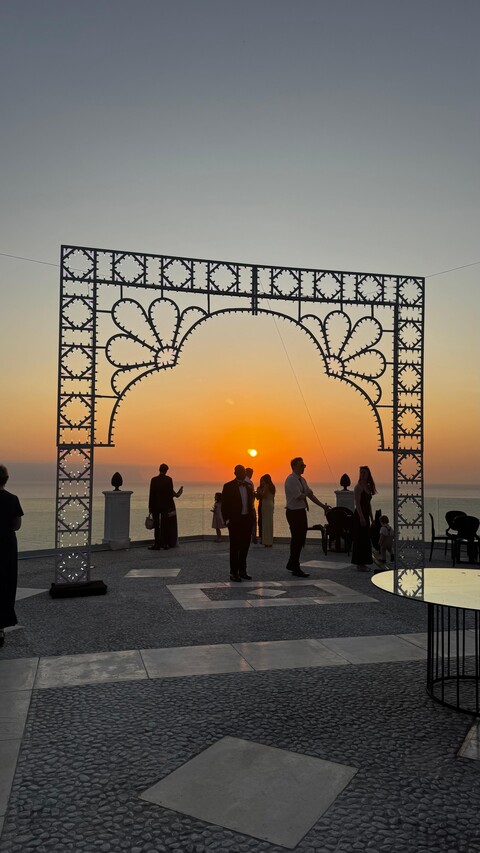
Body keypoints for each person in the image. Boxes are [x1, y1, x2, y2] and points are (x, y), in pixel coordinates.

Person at [284, 457, 330, 577]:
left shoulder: (302, 480)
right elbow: (298, 496)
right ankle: (295, 566)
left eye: (304, 465)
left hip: (301, 512)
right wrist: (307, 494)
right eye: (301, 465)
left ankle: (292, 563)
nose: (304, 467)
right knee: (297, 539)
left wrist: (322, 506)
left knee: (300, 539)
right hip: (293, 512)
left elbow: (310, 495)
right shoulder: (291, 480)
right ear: (294, 466)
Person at [0, 465, 23, 648]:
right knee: (6, 583)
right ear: (5, 480)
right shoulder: (12, 499)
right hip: (6, 545)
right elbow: (16, 525)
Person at [221, 464, 255, 581]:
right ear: (235, 473)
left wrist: (252, 519)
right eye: (239, 471)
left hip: (246, 520)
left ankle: (243, 570)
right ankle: (233, 573)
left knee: (245, 546)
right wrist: (226, 520)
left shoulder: (249, 486)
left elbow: (251, 505)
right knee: (234, 547)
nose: (242, 473)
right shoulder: (228, 486)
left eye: (243, 471)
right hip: (235, 521)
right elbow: (224, 505)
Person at [351, 465, 377, 571]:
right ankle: (359, 564)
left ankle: (364, 563)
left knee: (366, 539)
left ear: (368, 474)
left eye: (364, 473)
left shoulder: (368, 487)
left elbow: (368, 504)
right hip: (359, 516)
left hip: (366, 515)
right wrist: (361, 517)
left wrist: (371, 518)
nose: (362, 474)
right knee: (360, 539)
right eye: (361, 472)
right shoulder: (358, 487)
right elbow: (357, 503)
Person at [148, 463, 175, 550]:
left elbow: (151, 494)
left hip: (155, 506)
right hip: (165, 506)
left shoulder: (154, 480)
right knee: (165, 525)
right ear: (166, 471)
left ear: (159, 469)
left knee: (156, 526)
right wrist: (170, 506)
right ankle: (165, 544)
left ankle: (157, 544)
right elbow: (170, 494)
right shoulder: (169, 480)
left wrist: (150, 507)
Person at [257, 474, 275, 547]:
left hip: (266, 504)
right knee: (269, 523)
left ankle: (266, 541)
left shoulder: (267, 486)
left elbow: (264, 495)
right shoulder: (272, 487)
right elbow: (273, 498)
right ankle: (269, 541)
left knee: (265, 523)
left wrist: (258, 491)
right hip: (270, 503)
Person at [167, 483, 184, 548]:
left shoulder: (162, 490)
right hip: (171, 507)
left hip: (164, 508)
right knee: (172, 525)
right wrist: (181, 490)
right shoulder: (170, 490)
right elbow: (177, 495)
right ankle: (172, 541)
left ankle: (166, 541)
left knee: (165, 525)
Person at [245, 467, 258, 544]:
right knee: (253, 522)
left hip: (246, 506)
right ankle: (254, 538)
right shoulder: (249, 482)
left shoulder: (245, 481)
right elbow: (251, 494)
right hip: (250, 506)